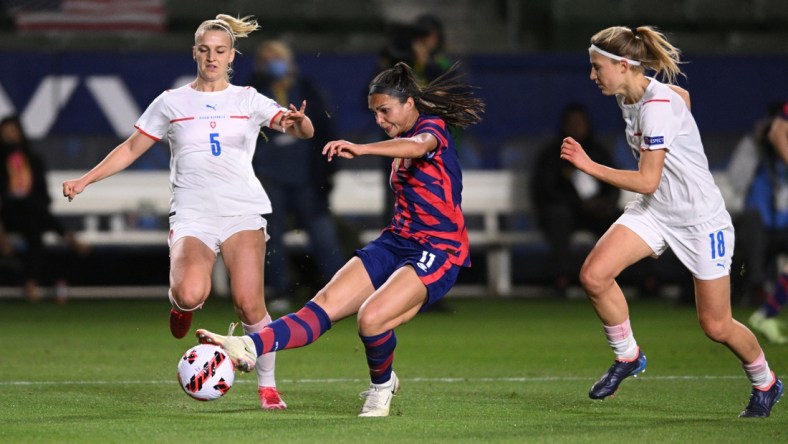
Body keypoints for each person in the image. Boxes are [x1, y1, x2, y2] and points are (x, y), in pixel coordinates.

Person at [195, 61, 485, 417]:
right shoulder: (400, 138)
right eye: (374, 113)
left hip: (439, 249)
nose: (379, 120)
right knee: (324, 304)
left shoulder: (432, 128)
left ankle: (381, 387)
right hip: (396, 242)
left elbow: (417, 146)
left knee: (371, 318)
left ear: (410, 103)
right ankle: (246, 344)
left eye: (384, 111)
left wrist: (362, 149)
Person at [62, 14, 315, 410]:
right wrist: (85, 179)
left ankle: (268, 387)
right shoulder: (171, 101)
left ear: (232, 55)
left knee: (250, 304)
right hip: (193, 214)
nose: (212, 57)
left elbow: (301, 130)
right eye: (204, 50)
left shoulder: (248, 98)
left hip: (241, 211)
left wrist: (301, 123)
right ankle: (181, 307)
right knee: (190, 291)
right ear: (194, 52)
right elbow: (130, 148)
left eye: (220, 51)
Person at [559, 25, 783, 417]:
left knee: (716, 325)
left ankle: (766, 381)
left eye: (597, 68)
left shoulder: (654, 107)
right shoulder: (634, 94)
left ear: (625, 65)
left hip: (701, 222)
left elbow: (647, 178)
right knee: (594, 275)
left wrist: (588, 165)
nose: (592, 76)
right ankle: (628, 356)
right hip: (657, 211)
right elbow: (683, 97)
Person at [248, 40, 345, 310]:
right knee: (272, 239)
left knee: (324, 236)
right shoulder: (252, 93)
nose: (272, 64)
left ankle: (341, 293)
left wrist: (329, 172)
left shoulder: (307, 90)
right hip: (268, 179)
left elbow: (325, 129)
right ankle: (280, 292)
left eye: (277, 57)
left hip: (306, 178)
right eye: (266, 59)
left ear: (288, 60)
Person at [532, 103, 621, 295]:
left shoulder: (598, 151)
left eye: (580, 123)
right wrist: (578, 204)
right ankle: (561, 279)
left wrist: (605, 203)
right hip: (567, 213)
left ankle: (639, 280)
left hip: (596, 214)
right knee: (559, 217)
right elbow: (545, 189)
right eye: (571, 123)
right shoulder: (552, 154)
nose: (576, 127)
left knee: (622, 221)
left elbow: (613, 183)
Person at [0, 115, 88, 302]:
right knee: (33, 212)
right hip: (6, 214)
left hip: (31, 214)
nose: (9, 136)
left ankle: (32, 283)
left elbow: (42, 193)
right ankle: (67, 236)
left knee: (34, 228)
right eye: (5, 133)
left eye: (12, 131)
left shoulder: (32, 159)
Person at [747, 100, 788, 344]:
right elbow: (777, 132)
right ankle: (766, 313)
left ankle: (766, 313)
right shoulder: (757, 153)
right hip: (764, 221)